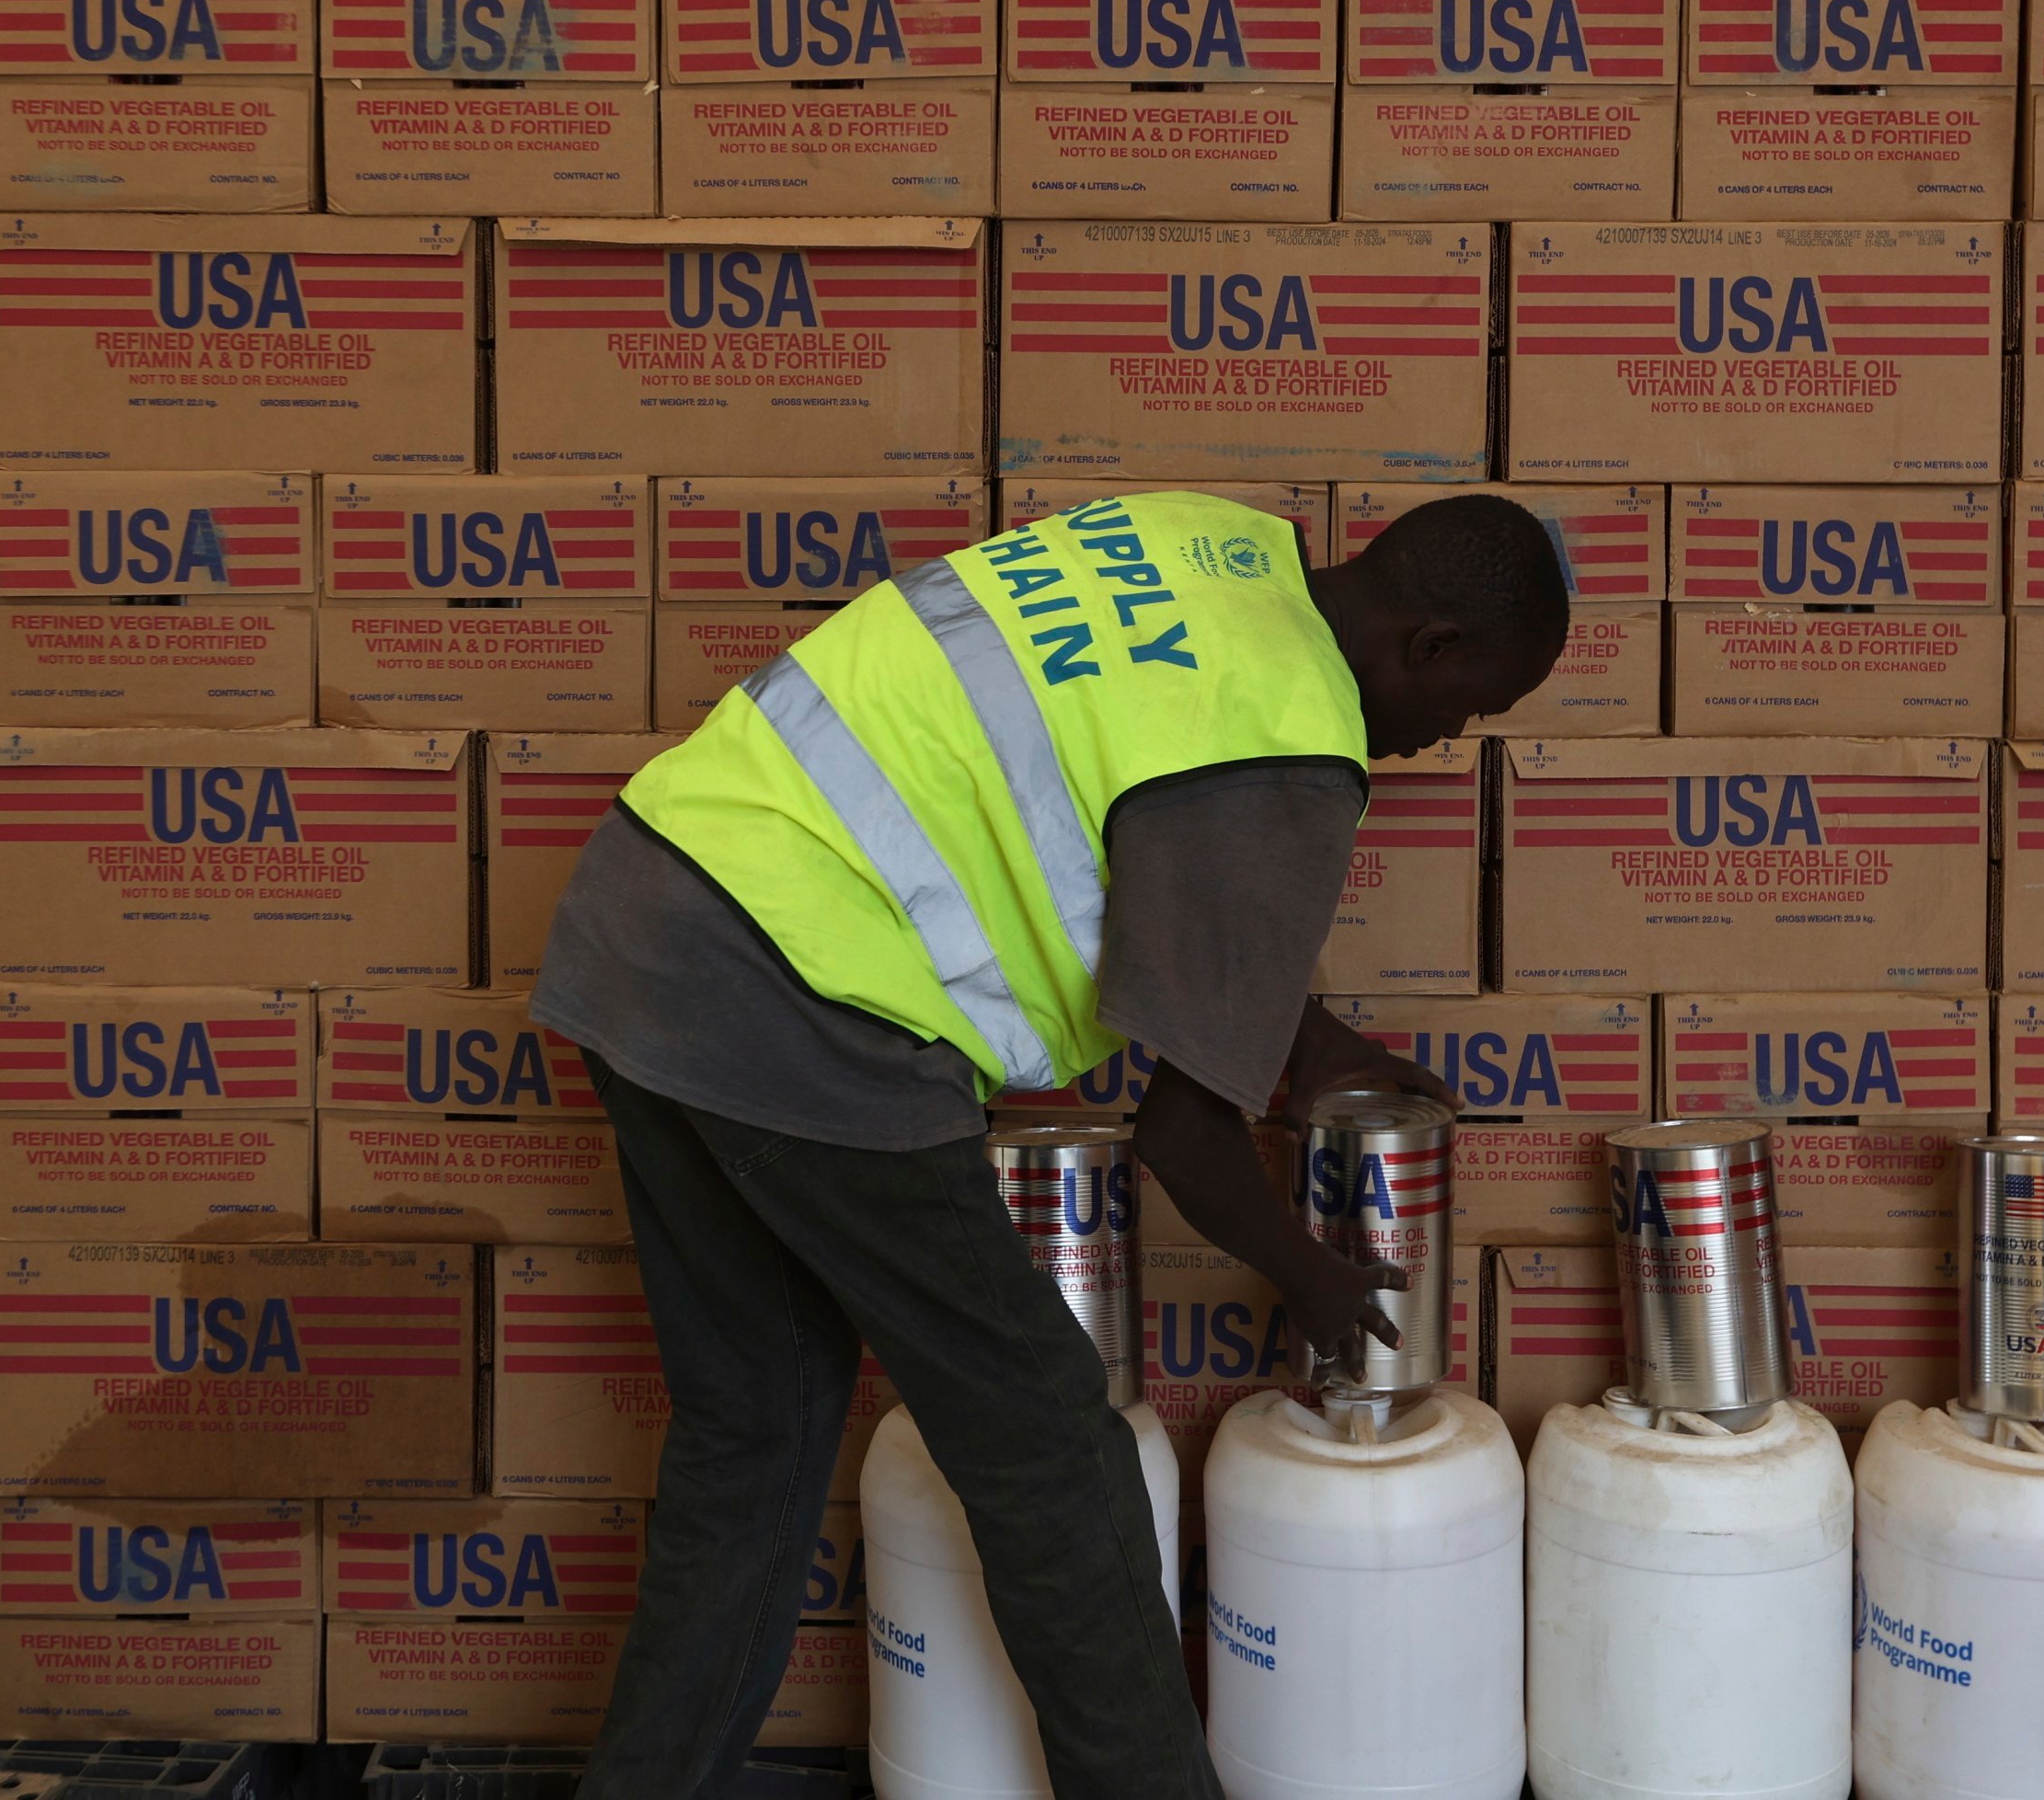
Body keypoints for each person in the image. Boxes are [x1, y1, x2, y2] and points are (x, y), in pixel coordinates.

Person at [528, 489, 1572, 1800]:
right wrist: (1314, 1280)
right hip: (809, 1001)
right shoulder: (1293, 747)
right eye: (1473, 703)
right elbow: (1182, 1140)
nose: (1448, 737)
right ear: (1430, 643)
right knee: (1053, 1456)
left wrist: (1298, 1044)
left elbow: (1138, 828)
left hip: (646, 912)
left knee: (754, 1432)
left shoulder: (1212, 543)